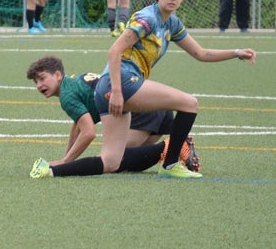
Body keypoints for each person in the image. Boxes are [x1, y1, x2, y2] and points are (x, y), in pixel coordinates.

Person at [29, 0, 256, 181]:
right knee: (190, 103)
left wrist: (236, 52)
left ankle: (50, 171)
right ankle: (170, 163)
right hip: (122, 82)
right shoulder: (147, 18)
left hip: (108, 88)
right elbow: (114, 51)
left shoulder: (172, 23)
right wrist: (117, 91)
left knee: (111, 162)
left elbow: (201, 53)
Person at [25, 55, 199, 177]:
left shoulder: (66, 96)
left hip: (139, 111)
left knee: (114, 161)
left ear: (57, 75)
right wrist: (67, 158)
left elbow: (88, 133)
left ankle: (171, 147)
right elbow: (78, 125)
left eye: (42, 78)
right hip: (153, 108)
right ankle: (172, 149)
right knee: (129, 159)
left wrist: (65, 162)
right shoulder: (74, 81)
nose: (39, 85)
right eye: (36, 82)